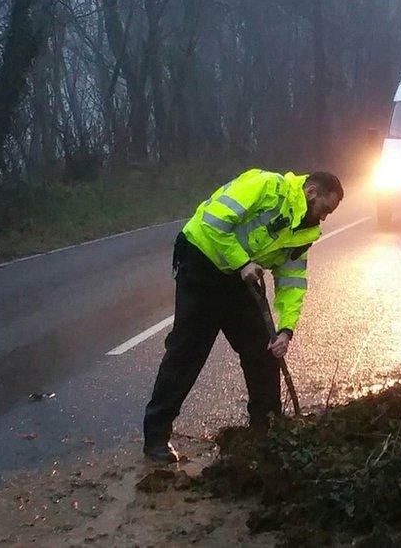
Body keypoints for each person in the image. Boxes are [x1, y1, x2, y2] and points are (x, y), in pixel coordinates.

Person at [142, 168, 344, 463]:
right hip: (201, 262)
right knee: (187, 352)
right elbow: (213, 222)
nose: (325, 217)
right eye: (325, 209)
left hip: (241, 278)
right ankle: (156, 437)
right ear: (311, 192)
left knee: (263, 351)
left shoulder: (305, 230)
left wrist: (286, 330)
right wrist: (242, 262)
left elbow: (292, 280)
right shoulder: (266, 186)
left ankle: (267, 429)